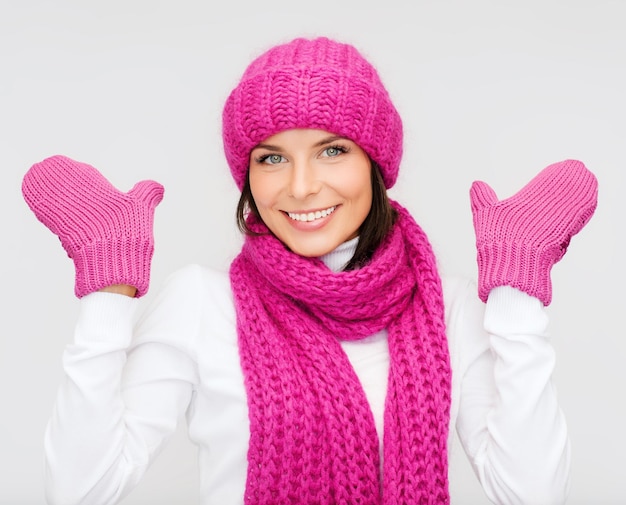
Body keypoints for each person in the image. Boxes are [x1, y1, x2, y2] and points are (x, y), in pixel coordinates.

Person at [22, 36, 598, 505]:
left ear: (376, 163)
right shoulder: (201, 303)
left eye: (332, 150)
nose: (300, 186)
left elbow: (533, 494)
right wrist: (107, 290)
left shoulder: (443, 308)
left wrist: (517, 295)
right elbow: (80, 490)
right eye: (271, 158)